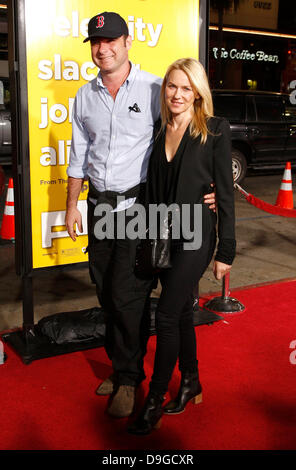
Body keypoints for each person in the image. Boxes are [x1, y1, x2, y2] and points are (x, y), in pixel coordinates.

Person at [65, 12, 216, 419]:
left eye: (111, 40)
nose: (103, 49)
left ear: (128, 42)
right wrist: (72, 204)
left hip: (137, 208)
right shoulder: (84, 95)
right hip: (98, 206)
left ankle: (130, 379)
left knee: (127, 294)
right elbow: (79, 154)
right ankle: (120, 366)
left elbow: (189, 133)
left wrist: (210, 186)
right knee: (103, 290)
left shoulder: (155, 89)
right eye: (96, 42)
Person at [128, 58, 236, 435]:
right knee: (184, 313)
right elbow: (152, 190)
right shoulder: (159, 129)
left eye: (186, 88)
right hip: (163, 236)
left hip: (197, 237)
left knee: (169, 315)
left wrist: (226, 251)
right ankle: (191, 381)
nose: (177, 94)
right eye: (172, 86)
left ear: (198, 93)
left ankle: (153, 401)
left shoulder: (215, 131)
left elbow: (224, 196)